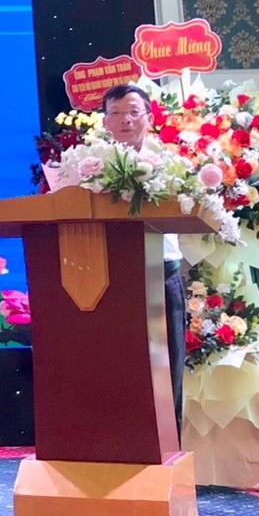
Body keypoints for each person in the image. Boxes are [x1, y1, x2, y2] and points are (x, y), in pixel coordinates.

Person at [100, 83, 188, 439]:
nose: (125, 120)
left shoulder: (171, 164)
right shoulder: (92, 167)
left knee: (167, 370)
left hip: (161, 277)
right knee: (118, 369)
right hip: (110, 278)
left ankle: (168, 451)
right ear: (105, 122)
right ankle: (120, 448)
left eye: (133, 112)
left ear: (148, 118)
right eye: (116, 113)